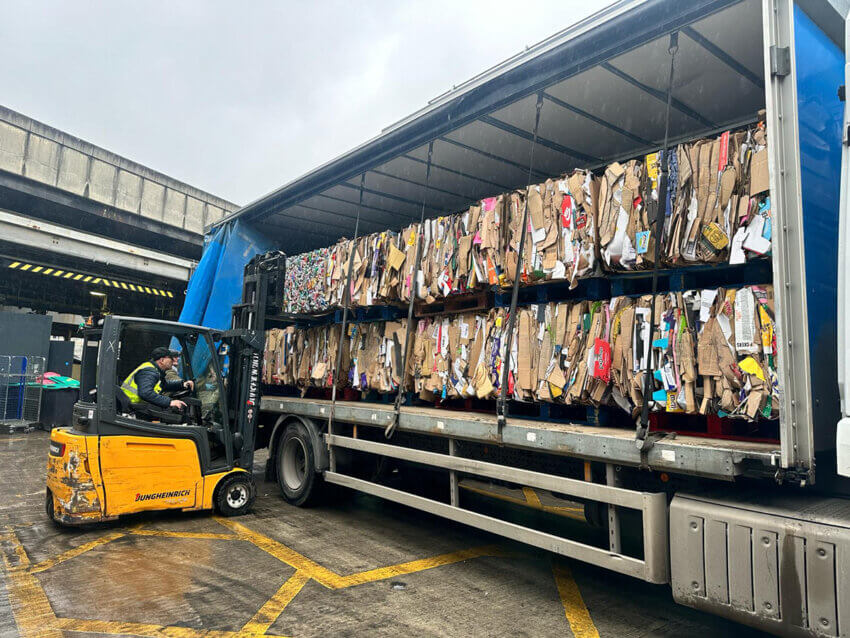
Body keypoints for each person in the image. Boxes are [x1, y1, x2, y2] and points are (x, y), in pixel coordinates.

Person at [120, 347, 195, 411]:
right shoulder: (149, 371)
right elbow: (145, 393)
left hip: (137, 405)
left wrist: (182, 384)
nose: (174, 361)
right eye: (171, 358)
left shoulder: (155, 370)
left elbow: (163, 385)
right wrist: (169, 402)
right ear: (162, 360)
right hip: (131, 406)